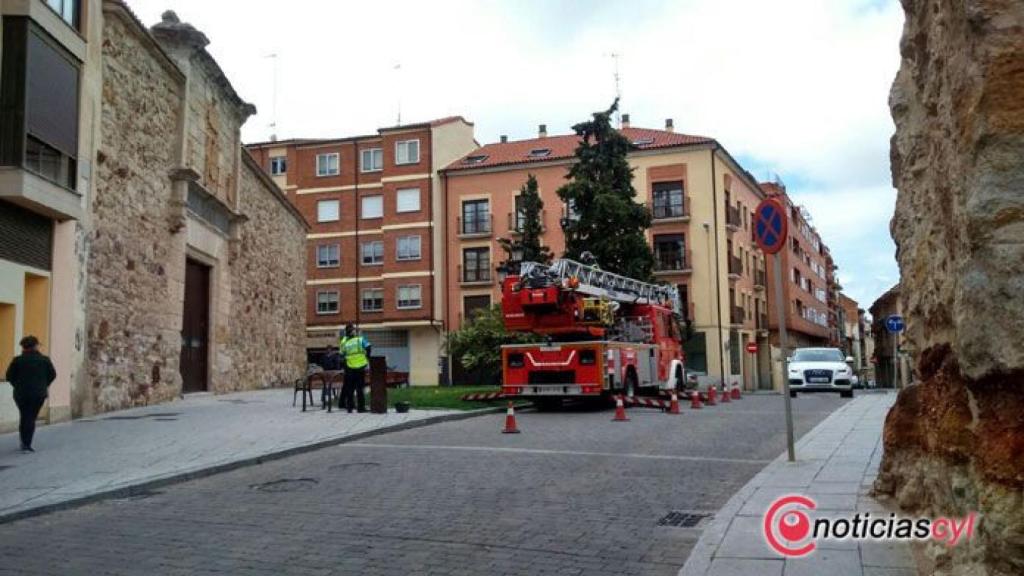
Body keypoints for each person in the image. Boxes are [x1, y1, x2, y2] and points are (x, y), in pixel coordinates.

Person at [5, 336, 56, 453]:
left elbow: (9, 376)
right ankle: (27, 443)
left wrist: (17, 385)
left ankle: (24, 441)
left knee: (25, 415)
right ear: (36, 345)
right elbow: (52, 374)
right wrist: (44, 384)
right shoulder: (44, 360)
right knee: (31, 417)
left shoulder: (17, 360)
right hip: (38, 394)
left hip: (21, 393)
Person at [339, 323, 371, 413]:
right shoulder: (359, 339)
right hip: (360, 366)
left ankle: (350, 408)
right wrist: (367, 357)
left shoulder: (344, 341)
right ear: (353, 331)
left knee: (350, 388)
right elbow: (368, 347)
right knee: (360, 388)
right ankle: (361, 408)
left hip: (349, 367)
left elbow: (341, 355)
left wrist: (344, 365)